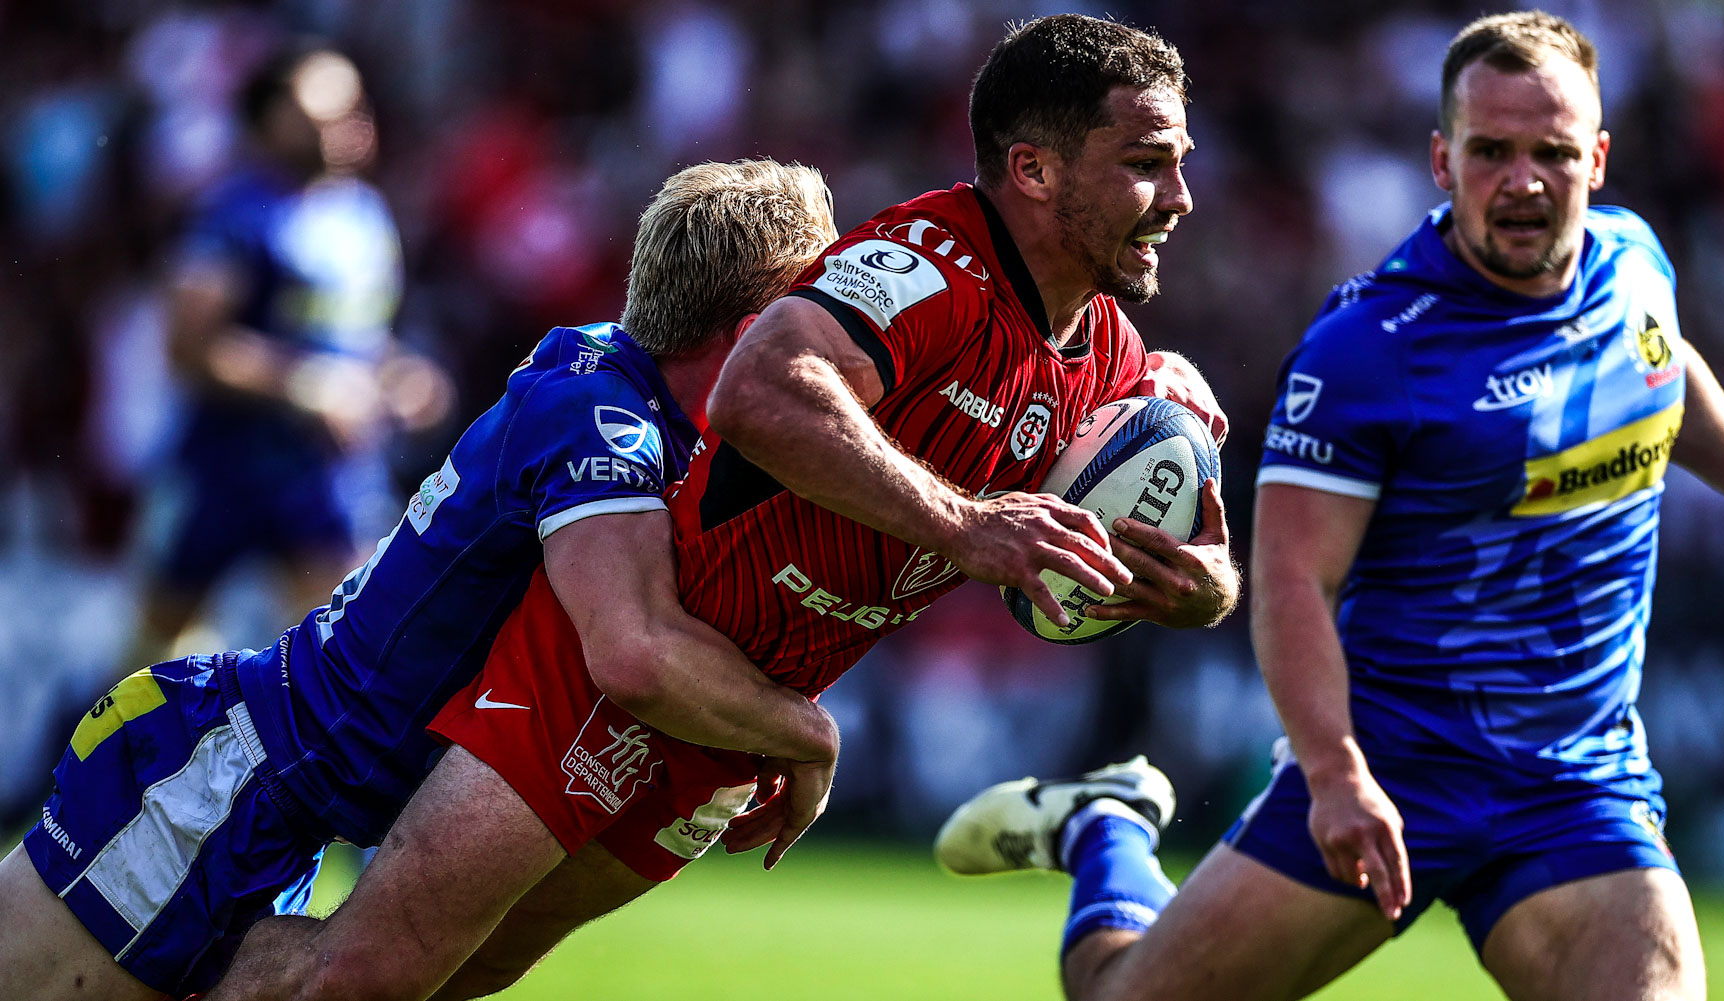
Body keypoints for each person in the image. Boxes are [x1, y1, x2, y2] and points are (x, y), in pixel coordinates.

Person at [198, 14, 1239, 1001]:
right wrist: (965, 524)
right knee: (368, 972)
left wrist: (1198, 586)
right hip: (612, 673)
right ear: (1035, 168)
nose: (1180, 196)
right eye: (1146, 162)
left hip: (730, 727)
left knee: (458, 971)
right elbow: (760, 388)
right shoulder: (927, 264)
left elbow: (1181, 535)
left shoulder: (1106, 358)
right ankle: (140, 956)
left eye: (1178, 161)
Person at [936, 11, 1724, 1001]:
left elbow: (1656, 370)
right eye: (1491, 151)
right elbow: (1294, 577)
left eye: (1551, 152)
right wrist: (1335, 775)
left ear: (1595, 159)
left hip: (1573, 786)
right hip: (1389, 770)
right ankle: (1108, 827)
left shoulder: (1633, 266)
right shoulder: (1368, 348)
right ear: (1441, 158)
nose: (1521, 180)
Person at [0, 158, 844, 1001]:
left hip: (287, 810)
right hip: (220, 786)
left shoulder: (615, 385)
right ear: (750, 330)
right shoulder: (607, 423)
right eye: (815, 317)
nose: (833, 344)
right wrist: (806, 732)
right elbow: (636, 651)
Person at [130, 46, 440, 669]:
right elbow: (189, 348)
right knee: (155, 656)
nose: (345, 121)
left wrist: (400, 376)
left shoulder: (366, 218)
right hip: (222, 468)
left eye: (355, 105)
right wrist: (309, 387)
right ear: (267, 119)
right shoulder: (232, 216)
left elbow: (357, 342)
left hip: (325, 477)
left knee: (337, 661)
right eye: (318, 109)